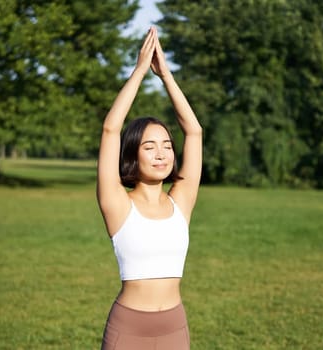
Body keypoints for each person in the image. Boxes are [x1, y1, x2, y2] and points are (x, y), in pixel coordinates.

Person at [96, 26, 202, 349]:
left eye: (168, 146)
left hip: (174, 328)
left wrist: (166, 76)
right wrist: (140, 71)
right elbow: (111, 129)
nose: (162, 153)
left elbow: (194, 131)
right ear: (132, 154)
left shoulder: (180, 203)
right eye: (149, 146)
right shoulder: (118, 205)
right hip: (127, 330)